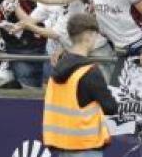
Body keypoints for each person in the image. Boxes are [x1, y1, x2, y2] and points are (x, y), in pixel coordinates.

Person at [42, 13, 118, 156]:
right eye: (96, 34)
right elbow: (111, 107)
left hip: (62, 146)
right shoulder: (90, 72)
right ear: (89, 35)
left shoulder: (56, 69)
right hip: (86, 145)